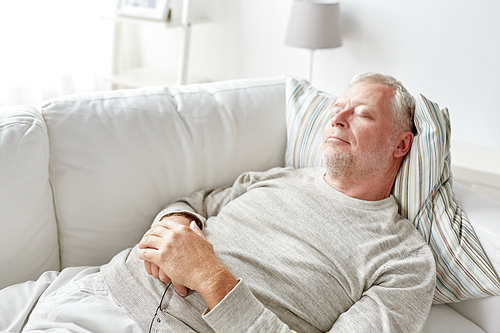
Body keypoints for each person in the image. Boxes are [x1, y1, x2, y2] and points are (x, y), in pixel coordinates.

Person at [0, 73, 436, 333]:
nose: (337, 117)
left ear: (401, 143)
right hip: (86, 285)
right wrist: (175, 223)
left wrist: (210, 277)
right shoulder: (280, 178)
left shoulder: (403, 261)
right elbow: (196, 202)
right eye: (337, 107)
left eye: (362, 113)